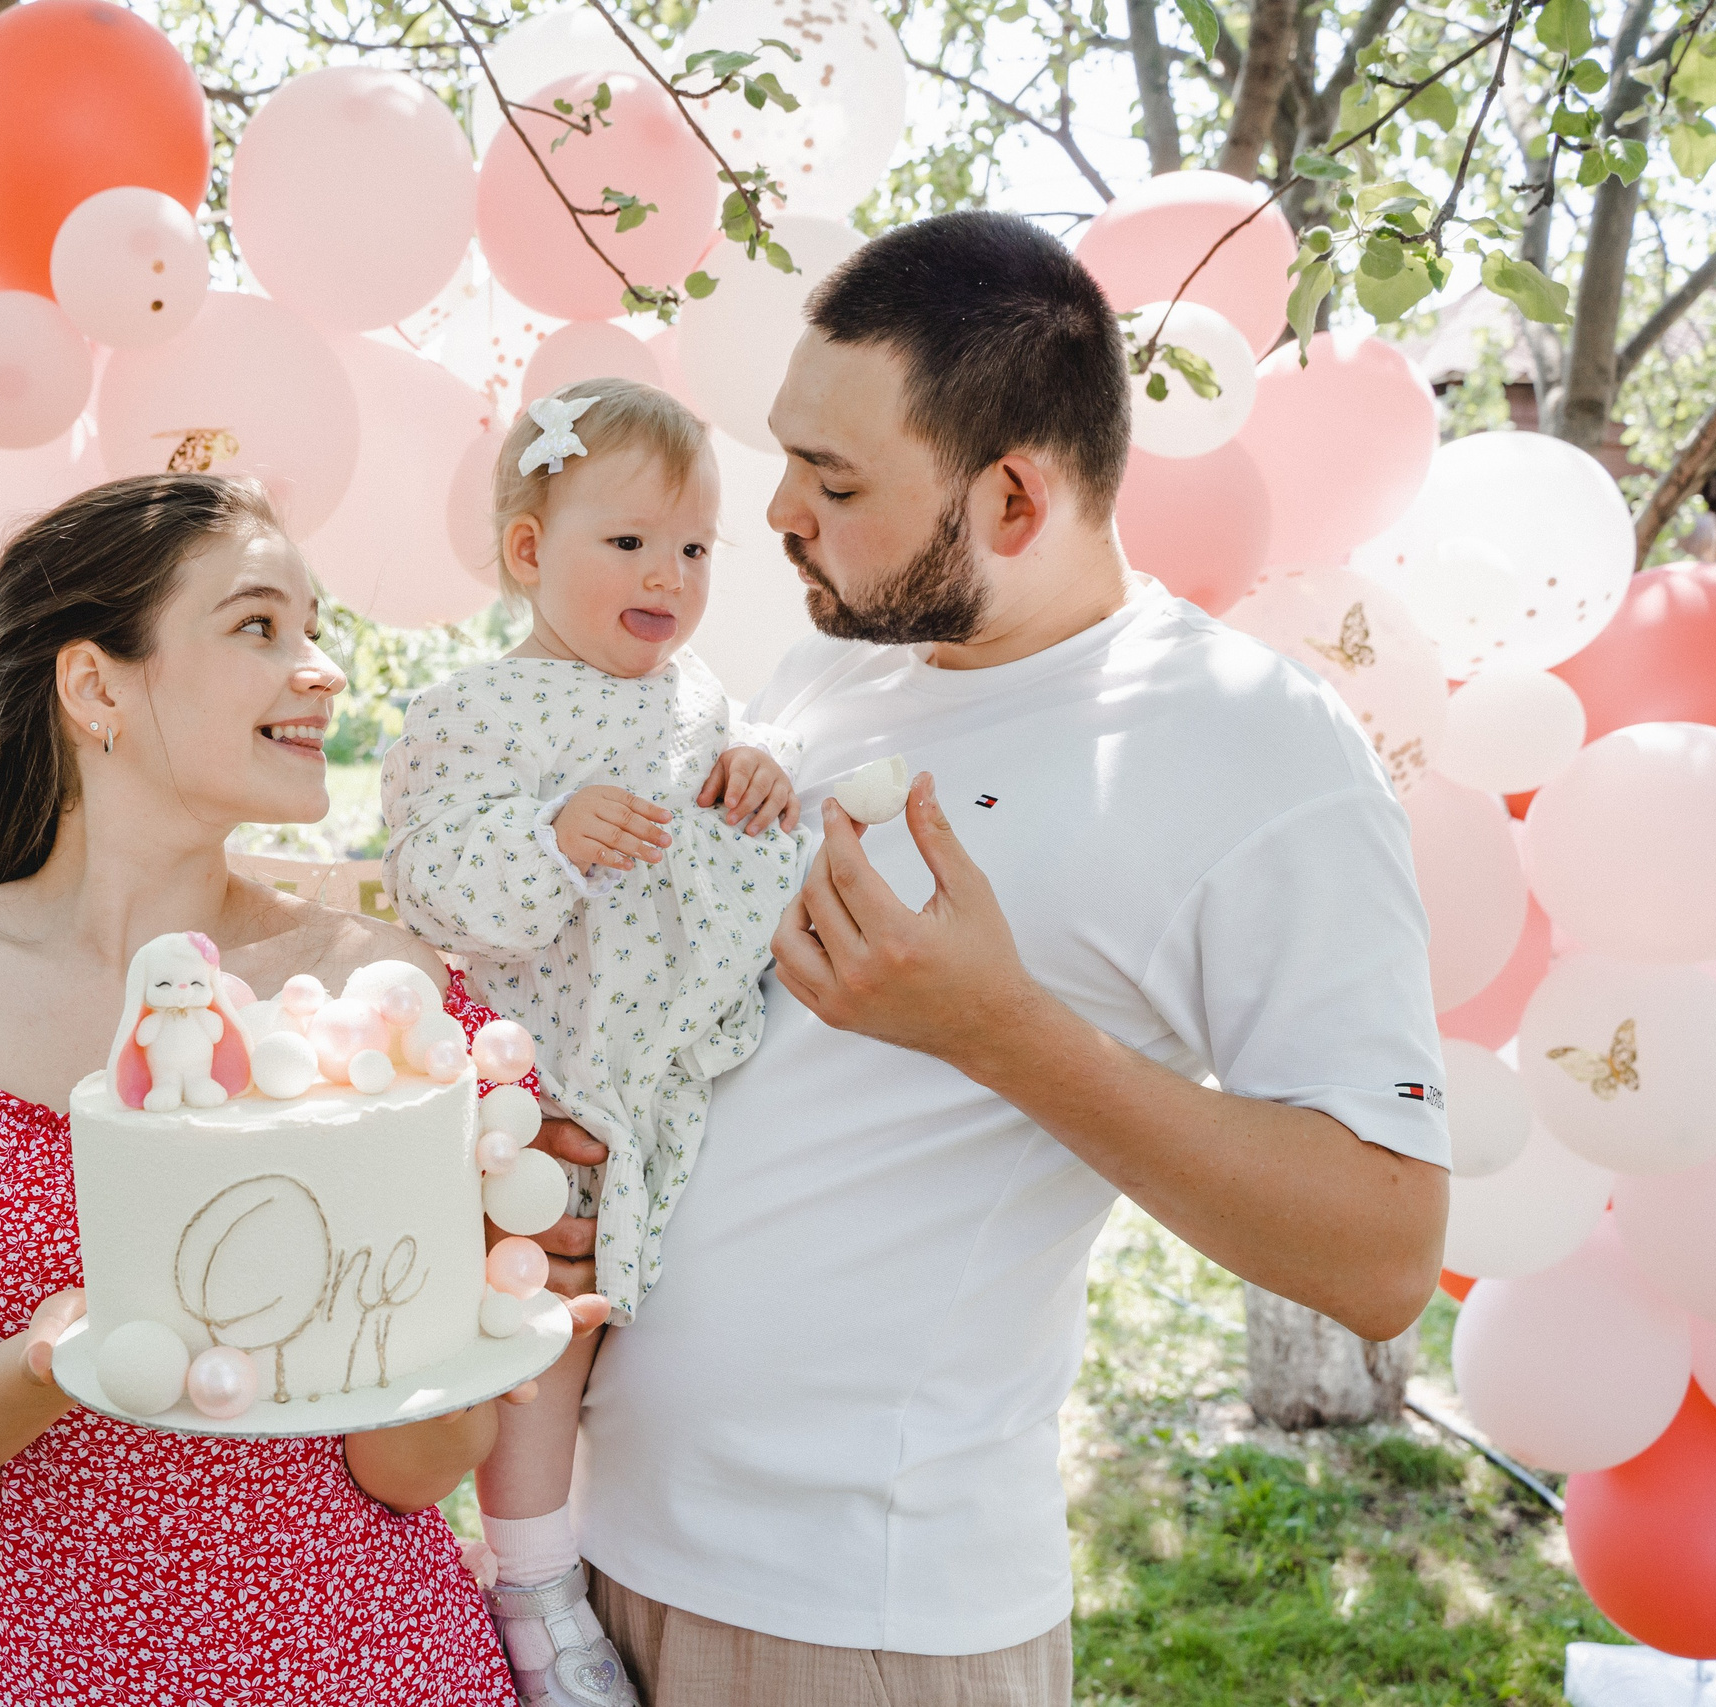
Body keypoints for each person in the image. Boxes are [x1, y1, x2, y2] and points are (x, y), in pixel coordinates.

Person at [569, 212, 1452, 1705]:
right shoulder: (830, 667)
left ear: (1015, 498)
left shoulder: (1252, 746)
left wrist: (999, 1031)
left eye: (836, 481)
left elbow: (1383, 1253)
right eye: (788, 458)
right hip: (595, 1549)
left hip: (858, 1620)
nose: (777, 510)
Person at [0, 473, 570, 1705]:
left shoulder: (387, 999)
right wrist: (47, 1364)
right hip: (10, 1677)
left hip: (364, 1669)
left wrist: (468, 1347)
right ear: (95, 689)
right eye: (258, 626)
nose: (322, 671)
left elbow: (413, 1469)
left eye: (314, 630)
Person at [381, 379, 811, 1707]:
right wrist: (549, 834)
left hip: (676, 1079)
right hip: (551, 1081)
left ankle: (648, 1540)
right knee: (546, 1339)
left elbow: (729, 833)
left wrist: (757, 771)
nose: (667, 575)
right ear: (528, 551)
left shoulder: (697, 700)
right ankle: (533, 1589)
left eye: (692, 547)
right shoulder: (473, 711)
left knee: (665, 1336)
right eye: (627, 542)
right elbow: (435, 879)